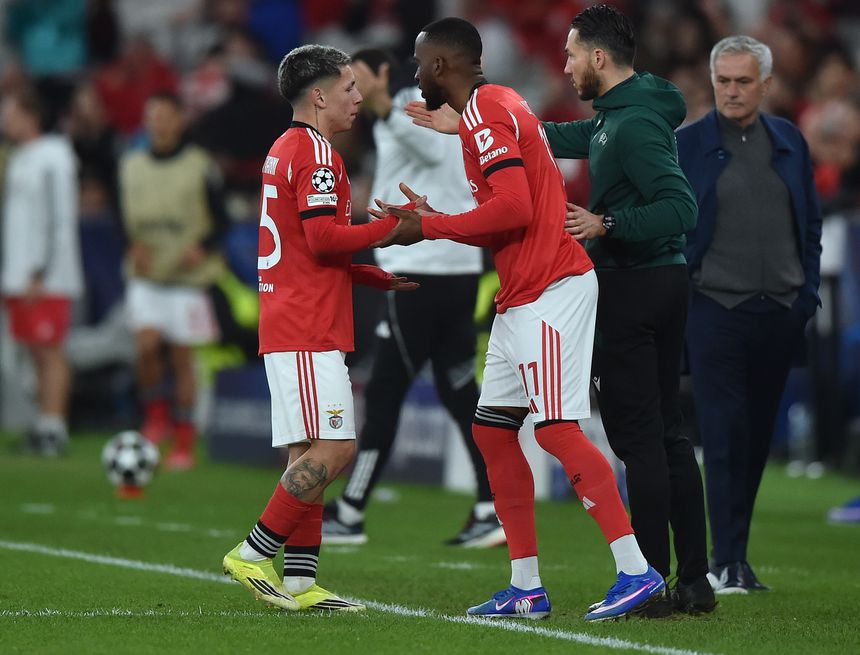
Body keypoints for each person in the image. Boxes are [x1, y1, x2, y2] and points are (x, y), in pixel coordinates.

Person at [375, 17, 664, 621]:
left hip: (552, 288)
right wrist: (442, 210)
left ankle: (636, 570)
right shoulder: (491, 108)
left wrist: (427, 226)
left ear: (439, 68)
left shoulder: (487, 111)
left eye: (419, 62)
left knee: (556, 431)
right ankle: (526, 586)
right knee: (491, 430)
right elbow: (511, 205)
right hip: (521, 292)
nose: (414, 73)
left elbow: (515, 206)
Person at [221, 44, 415, 612]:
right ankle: (254, 552)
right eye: (349, 87)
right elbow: (324, 238)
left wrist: (369, 276)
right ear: (320, 95)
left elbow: (306, 247)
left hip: (291, 315)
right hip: (308, 325)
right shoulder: (319, 154)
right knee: (337, 448)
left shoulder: (285, 148)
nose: (358, 97)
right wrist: (388, 231)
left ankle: (302, 583)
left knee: (308, 451)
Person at [539, 5, 714, 615]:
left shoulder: (632, 126)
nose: (563, 67)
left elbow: (681, 208)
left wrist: (606, 222)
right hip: (659, 283)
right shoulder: (622, 115)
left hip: (637, 284)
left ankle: (650, 583)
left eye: (569, 54)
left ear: (597, 57)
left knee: (639, 438)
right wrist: (478, 125)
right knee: (666, 434)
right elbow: (562, 136)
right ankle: (694, 579)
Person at [321, 48, 502, 548]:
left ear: (381, 75)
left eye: (352, 80)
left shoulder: (406, 105)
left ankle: (351, 512)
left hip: (421, 272)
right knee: (459, 392)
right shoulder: (426, 110)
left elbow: (436, 153)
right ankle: (493, 506)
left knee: (383, 395)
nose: (349, 93)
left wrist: (383, 110)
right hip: (453, 269)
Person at [676, 35, 822, 593]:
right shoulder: (687, 146)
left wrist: (806, 293)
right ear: (712, 81)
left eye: (742, 81)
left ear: (766, 84)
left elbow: (809, 223)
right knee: (722, 429)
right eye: (723, 81)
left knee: (759, 434)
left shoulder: (789, 139)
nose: (731, 91)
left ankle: (735, 554)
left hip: (781, 311)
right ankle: (725, 558)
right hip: (715, 307)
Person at [119, 91, 227, 470]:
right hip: (147, 276)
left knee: (183, 358)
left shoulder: (200, 166)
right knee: (146, 346)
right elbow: (120, 218)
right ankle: (156, 417)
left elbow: (223, 219)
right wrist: (130, 244)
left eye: (165, 115)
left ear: (180, 119)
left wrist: (203, 246)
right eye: (152, 116)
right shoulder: (130, 165)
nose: (158, 123)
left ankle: (184, 441)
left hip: (187, 279)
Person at [1, 87, 82, 455]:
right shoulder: (21, 157)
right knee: (34, 349)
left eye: (10, 111)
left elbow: (57, 217)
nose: (5, 119)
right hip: (20, 274)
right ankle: (42, 423)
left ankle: (54, 428)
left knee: (50, 349)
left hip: (46, 275)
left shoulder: (55, 156)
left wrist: (40, 270)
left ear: (29, 114)